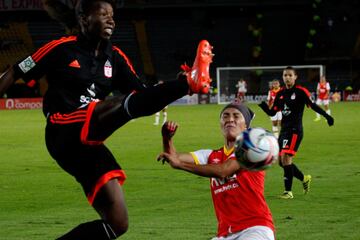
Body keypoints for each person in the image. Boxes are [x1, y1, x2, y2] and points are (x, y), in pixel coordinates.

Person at [0, 0, 213, 239]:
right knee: (110, 105)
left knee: (117, 223)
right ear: (83, 19)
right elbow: (15, 70)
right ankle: (188, 83)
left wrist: (170, 87)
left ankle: (188, 83)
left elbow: (141, 96)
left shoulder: (116, 57)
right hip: (63, 129)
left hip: (89, 143)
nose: (111, 19)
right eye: (103, 14)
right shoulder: (59, 48)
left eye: (112, 15)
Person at [158, 102, 275, 240]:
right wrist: (167, 138)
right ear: (220, 123)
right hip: (225, 233)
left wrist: (180, 165)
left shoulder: (252, 149)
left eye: (236, 116)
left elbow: (224, 171)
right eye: (225, 116)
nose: (230, 119)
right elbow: (173, 157)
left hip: (255, 228)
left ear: (246, 126)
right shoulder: (211, 155)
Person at [259, 66, 334, 199]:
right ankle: (304, 178)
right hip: (284, 131)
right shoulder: (280, 94)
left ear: (295, 77)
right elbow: (273, 112)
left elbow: (313, 105)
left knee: (287, 158)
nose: (287, 77)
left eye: (289, 75)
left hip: (295, 130)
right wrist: (264, 106)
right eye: (285, 75)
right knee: (281, 162)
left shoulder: (300, 92)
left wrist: (327, 116)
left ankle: (288, 192)